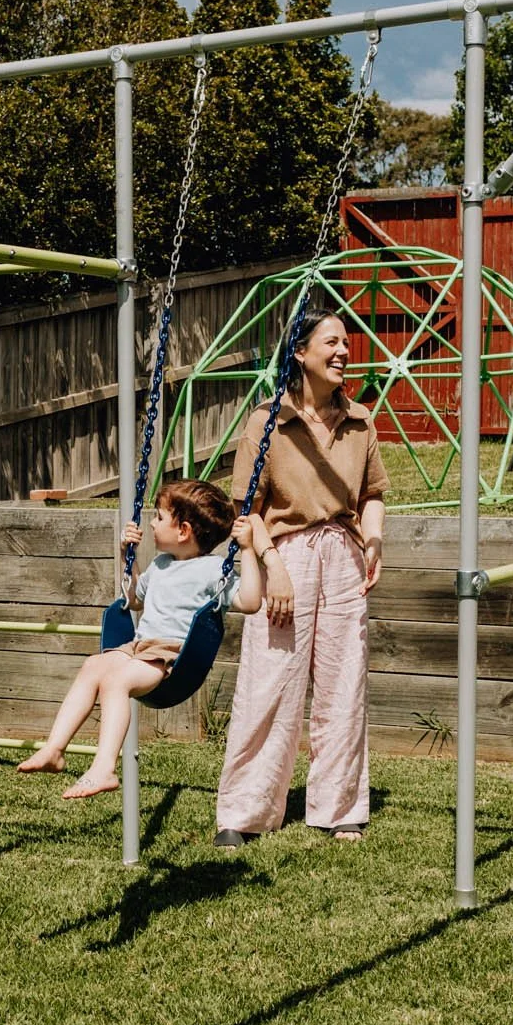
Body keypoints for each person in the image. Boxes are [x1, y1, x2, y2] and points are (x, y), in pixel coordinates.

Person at [215, 306, 390, 847]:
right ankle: (244, 812)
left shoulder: (360, 422)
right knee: (269, 685)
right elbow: (245, 510)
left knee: (342, 685)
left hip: (342, 555)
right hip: (282, 553)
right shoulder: (267, 422)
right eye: (332, 342)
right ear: (300, 352)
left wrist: (375, 540)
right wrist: (274, 567)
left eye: (346, 343)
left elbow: (373, 494)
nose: (343, 352)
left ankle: (340, 809)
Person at [19, 479, 263, 798]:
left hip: (170, 658)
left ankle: (104, 768)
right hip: (139, 646)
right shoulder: (161, 564)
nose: (151, 521)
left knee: (115, 683)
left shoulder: (213, 570)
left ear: (183, 530)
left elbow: (250, 602)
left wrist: (247, 550)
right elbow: (134, 598)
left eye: (159, 517)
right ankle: (54, 749)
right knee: (93, 665)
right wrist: (127, 556)